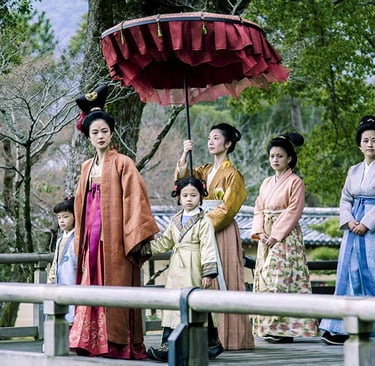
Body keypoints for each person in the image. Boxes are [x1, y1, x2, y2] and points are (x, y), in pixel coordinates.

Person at [68, 84, 159, 360]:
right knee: (90, 283)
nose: (100, 136)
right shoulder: (86, 167)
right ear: (88, 136)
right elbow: (79, 204)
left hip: (115, 238)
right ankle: (89, 340)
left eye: (104, 131)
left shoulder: (124, 163)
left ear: (111, 132)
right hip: (90, 241)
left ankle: (118, 343)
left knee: (115, 285)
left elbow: (136, 200)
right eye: (94, 132)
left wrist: (134, 236)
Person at [175, 123, 254, 351]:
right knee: (204, 278)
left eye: (216, 138)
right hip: (204, 228)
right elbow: (184, 183)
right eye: (209, 138)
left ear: (228, 144)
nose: (211, 141)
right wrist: (184, 153)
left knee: (225, 276)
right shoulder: (204, 171)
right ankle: (209, 336)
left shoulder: (233, 175)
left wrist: (204, 223)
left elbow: (228, 208)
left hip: (221, 229)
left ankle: (231, 336)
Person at [146, 176, 223, 362]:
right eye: (185, 195)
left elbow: (208, 247)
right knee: (173, 304)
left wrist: (208, 272)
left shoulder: (204, 222)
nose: (189, 199)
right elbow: (166, 241)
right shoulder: (174, 219)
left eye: (193, 195)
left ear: (201, 197)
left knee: (195, 303)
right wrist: (145, 249)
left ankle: (206, 343)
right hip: (177, 268)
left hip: (194, 266)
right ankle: (169, 344)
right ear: (179, 197)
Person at [251, 132, 317, 343]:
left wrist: (276, 235)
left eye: (280, 156)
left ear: (289, 158)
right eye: (272, 156)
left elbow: (293, 210)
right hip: (266, 236)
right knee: (264, 279)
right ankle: (270, 327)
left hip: (285, 237)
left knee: (281, 278)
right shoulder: (266, 182)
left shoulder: (295, 182)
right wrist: (260, 232)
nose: (275, 160)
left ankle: (286, 329)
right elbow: (258, 208)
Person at [320, 115, 375, 345]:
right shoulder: (353, 170)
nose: (370, 144)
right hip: (352, 231)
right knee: (348, 274)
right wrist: (351, 220)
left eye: (374, 140)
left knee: (371, 270)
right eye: (366, 140)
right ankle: (340, 325)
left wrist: (367, 222)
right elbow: (345, 199)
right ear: (359, 144)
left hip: (371, 232)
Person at [47, 196, 77, 323]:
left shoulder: (78, 238)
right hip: (59, 282)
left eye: (66, 216)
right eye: (59, 218)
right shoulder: (59, 240)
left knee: (73, 315)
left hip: (73, 281)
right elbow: (55, 263)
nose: (61, 221)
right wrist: (51, 278)